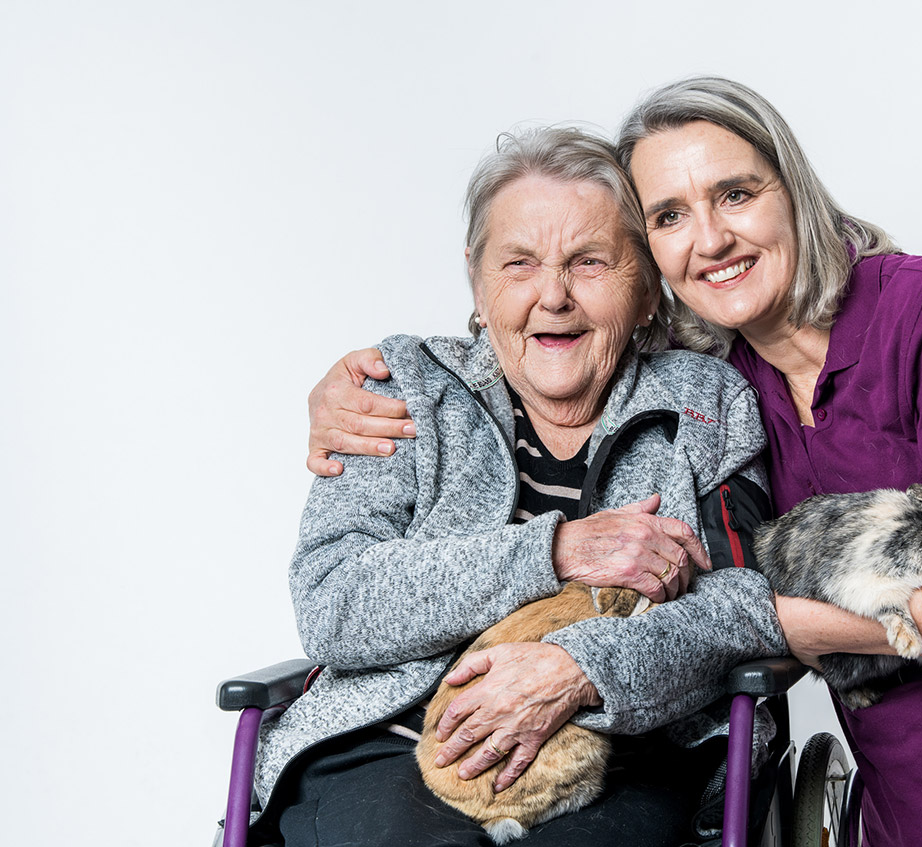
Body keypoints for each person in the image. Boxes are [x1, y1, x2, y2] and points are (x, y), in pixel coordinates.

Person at [308, 78, 922, 846]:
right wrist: (550, 544)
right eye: (670, 215)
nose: (709, 239)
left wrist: (777, 625)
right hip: (909, 811)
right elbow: (335, 596)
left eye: (736, 194)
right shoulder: (726, 373)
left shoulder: (900, 333)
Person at [252, 125, 786, 847]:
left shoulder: (706, 404)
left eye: (589, 262)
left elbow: (744, 605)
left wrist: (582, 669)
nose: (553, 297)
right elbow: (332, 601)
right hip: (386, 745)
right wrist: (555, 552)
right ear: (478, 282)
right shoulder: (402, 390)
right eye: (519, 263)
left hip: (623, 756)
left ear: (646, 287)